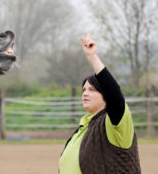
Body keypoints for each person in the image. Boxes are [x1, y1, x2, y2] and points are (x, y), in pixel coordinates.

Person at [59, 32, 141, 174]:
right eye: (84, 90)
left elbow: (116, 97)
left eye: (92, 90)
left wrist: (92, 57)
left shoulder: (114, 124)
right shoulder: (85, 125)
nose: (85, 93)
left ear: (105, 95)